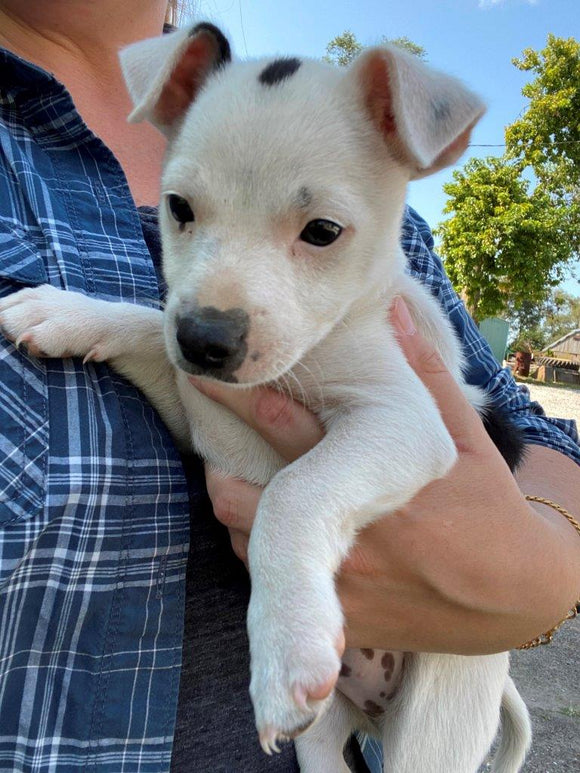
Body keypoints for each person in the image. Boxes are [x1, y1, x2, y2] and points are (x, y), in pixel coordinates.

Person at [0, 2, 578, 772]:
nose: (211, 311)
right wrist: (119, 329)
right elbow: (216, 413)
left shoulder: (383, 248)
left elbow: (495, 429)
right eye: (184, 212)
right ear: (171, 109)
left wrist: (536, 577)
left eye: (317, 233)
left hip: (439, 664)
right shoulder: (214, 108)